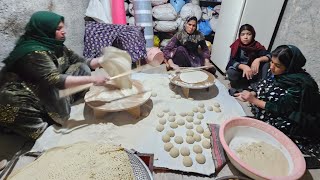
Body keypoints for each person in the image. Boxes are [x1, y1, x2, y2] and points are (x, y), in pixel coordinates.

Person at [0, 11, 108, 140]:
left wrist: (102, 61)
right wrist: (94, 79)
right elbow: (54, 79)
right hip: (25, 94)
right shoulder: (32, 52)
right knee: (19, 104)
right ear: (45, 30)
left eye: (63, 27)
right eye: (58, 29)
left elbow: (81, 61)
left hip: (46, 87)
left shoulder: (55, 45)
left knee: (81, 68)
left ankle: (58, 109)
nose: (64, 31)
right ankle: (41, 127)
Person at [235, 45, 320, 158]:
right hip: (278, 109)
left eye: (278, 65)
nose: (272, 67)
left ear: (289, 66)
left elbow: (280, 109)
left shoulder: (299, 84)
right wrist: (253, 93)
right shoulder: (279, 74)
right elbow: (265, 86)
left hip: (293, 121)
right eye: (272, 62)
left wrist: (253, 100)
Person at [226, 24, 271, 95]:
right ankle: (237, 86)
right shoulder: (237, 45)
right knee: (231, 71)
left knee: (266, 64)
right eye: (242, 34)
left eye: (249, 34)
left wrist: (258, 60)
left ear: (253, 35)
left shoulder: (256, 45)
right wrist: (244, 67)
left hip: (253, 73)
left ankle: (258, 87)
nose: (245, 37)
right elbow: (232, 61)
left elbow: (269, 55)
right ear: (239, 36)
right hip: (241, 73)